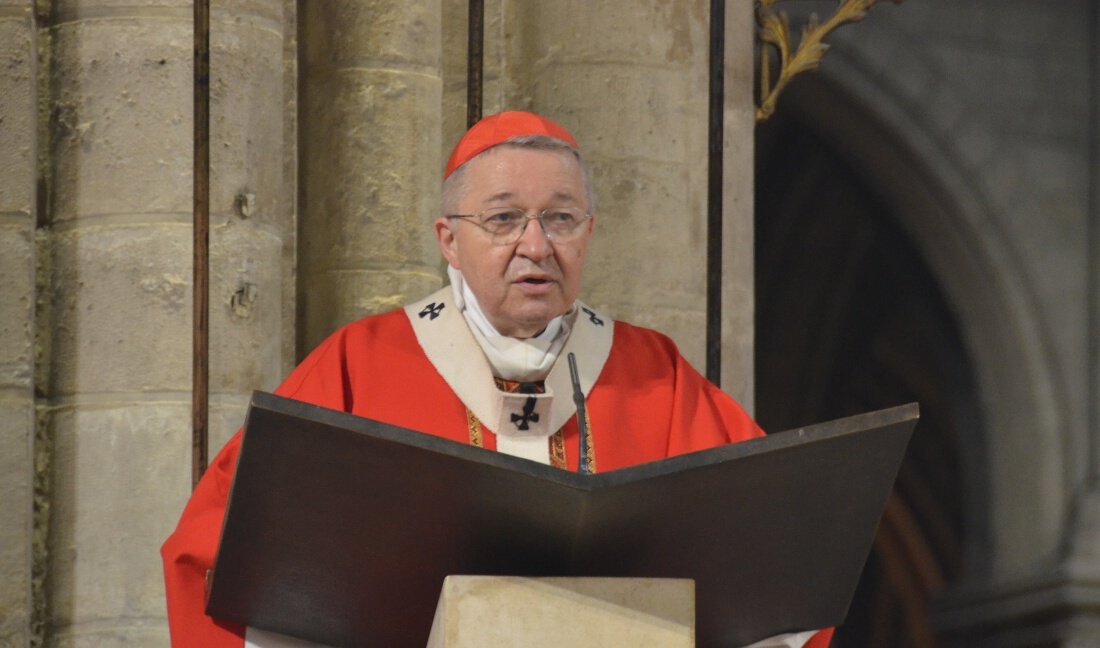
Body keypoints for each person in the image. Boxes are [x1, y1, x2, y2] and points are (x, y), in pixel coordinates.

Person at [161, 110, 834, 648]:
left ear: (590, 233)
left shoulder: (655, 377)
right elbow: (217, 553)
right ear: (449, 239)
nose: (535, 246)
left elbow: (776, 550)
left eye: (561, 219)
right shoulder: (359, 367)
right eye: (504, 219)